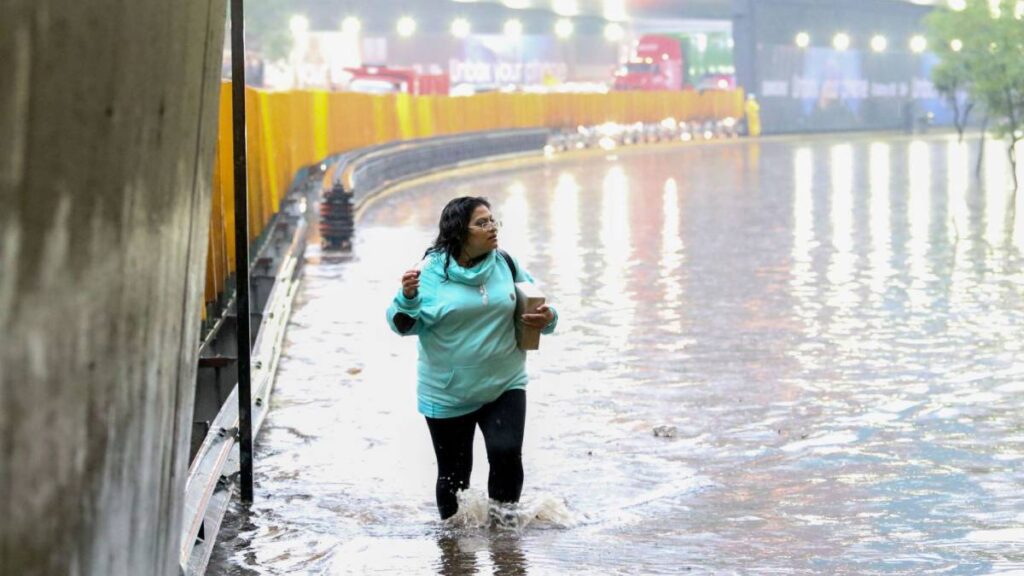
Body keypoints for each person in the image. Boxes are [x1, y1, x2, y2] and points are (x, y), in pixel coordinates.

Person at [386, 196, 558, 520]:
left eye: (493, 220)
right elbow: (402, 325)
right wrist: (407, 298)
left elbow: (539, 306)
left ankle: (504, 538)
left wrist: (548, 318)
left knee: (507, 457)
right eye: (482, 223)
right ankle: (452, 544)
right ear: (459, 232)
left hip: (505, 383)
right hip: (448, 392)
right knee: (454, 474)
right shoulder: (429, 273)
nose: (492, 227)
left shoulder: (505, 263)